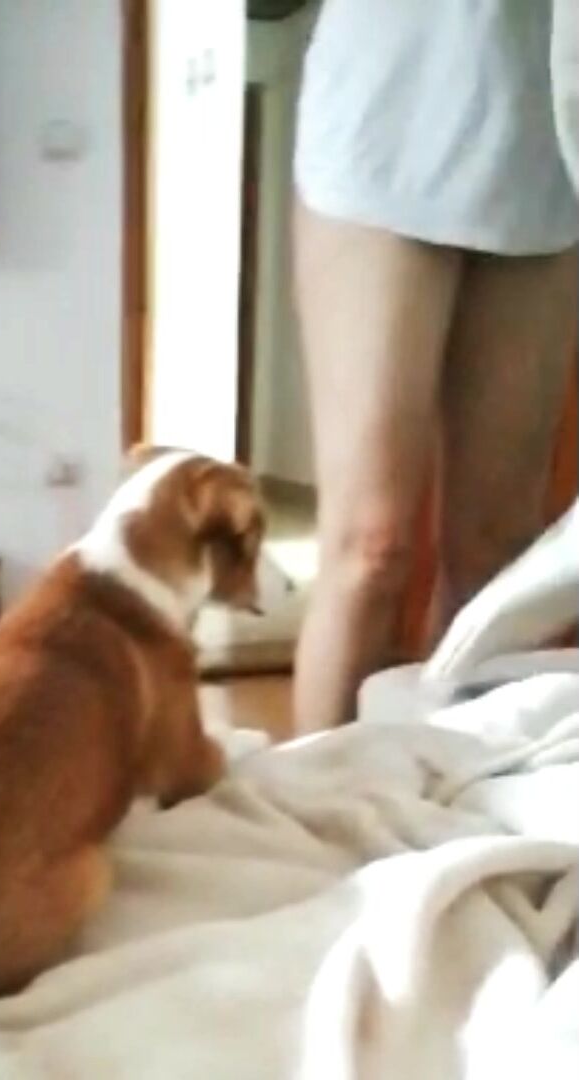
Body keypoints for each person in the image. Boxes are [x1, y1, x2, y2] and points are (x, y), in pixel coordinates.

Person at [292, 0, 579, 733]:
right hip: (385, 124)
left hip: (547, 154)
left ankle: (444, 788)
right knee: (371, 546)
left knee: (498, 551)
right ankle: (314, 800)